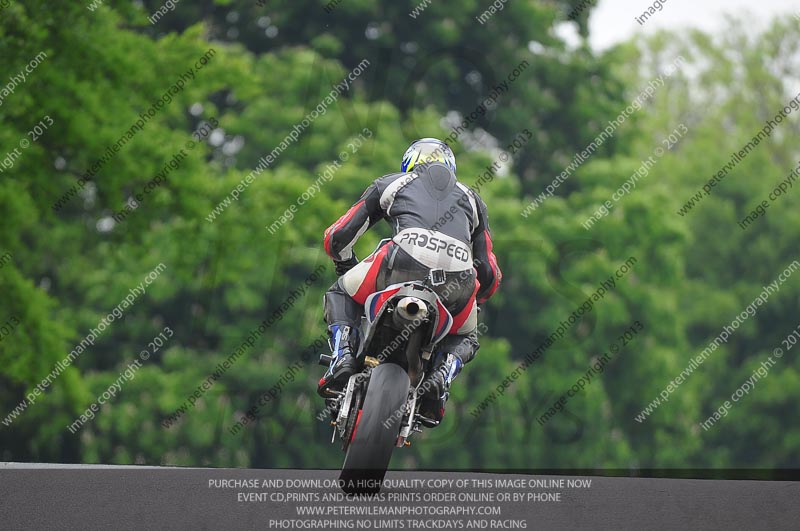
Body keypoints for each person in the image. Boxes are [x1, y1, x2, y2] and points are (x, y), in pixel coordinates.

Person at [317, 138, 501, 423]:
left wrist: (345, 265)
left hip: (400, 263)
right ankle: (441, 379)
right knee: (466, 335)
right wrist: (473, 299)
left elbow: (337, 236)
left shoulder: (393, 183)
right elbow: (489, 274)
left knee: (340, 293)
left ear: (409, 164)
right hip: (457, 281)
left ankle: (342, 357)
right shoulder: (474, 200)